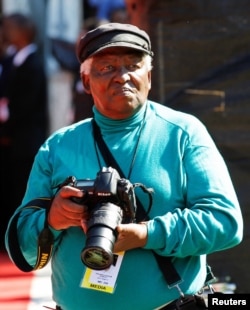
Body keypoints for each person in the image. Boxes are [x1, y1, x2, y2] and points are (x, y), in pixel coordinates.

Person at [5, 23, 243, 310]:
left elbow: (225, 223)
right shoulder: (57, 148)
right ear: (85, 81)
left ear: (149, 76)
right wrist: (53, 220)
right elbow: (23, 250)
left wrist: (146, 235)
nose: (122, 76)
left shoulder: (183, 134)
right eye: (106, 67)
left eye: (133, 65)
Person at [1, 13, 48, 222]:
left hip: (25, 142)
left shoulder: (33, 64)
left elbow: (25, 106)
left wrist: (7, 124)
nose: (5, 32)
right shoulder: (11, 59)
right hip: (9, 140)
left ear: (23, 33)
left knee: (21, 187)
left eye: (9, 27)